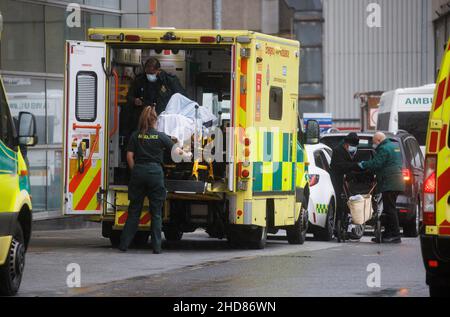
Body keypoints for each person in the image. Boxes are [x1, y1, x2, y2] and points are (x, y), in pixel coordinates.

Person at [119, 106, 190, 253]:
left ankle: (124, 245)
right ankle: (157, 247)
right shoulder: (160, 136)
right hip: (155, 174)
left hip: (139, 172)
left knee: (134, 212)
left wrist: (136, 171)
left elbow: (129, 157)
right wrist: (186, 155)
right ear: (155, 121)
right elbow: (176, 151)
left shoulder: (135, 135)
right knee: (156, 213)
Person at [358, 132, 405, 244]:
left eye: (374, 142)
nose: (374, 145)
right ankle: (388, 234)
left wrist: (363, 164)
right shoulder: (394, 146)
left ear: (379, 140)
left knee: (390, 210)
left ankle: (395, 236)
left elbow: (377, 163)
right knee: (389, 209)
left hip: (389, 183)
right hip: (396, 181)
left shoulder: (384, 148)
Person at [126, 57, 186, 138]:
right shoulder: (139, 80)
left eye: (152, 73)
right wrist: (134, 100)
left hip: (163, 118)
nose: (149, 75)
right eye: (147, 73)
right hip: (144, 117)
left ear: (158, 70)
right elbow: (129, 96)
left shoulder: (169, 80)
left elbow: (181, 97)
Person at [330, 132, 362, 228]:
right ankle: (338, 225)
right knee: (340, 202)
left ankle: (345, 223)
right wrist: (355, 165)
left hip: (350, 183)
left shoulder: (354, 152)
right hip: (338, 181)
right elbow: (339, 166)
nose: (354, 147)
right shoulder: (338, 151)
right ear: (346, 144)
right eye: (352, 145)